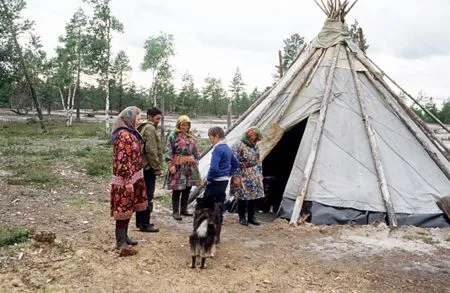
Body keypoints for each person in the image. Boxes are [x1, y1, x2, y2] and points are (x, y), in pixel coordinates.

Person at [110, 106, 147, 255]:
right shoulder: (123, 135)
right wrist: (127, 180)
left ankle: (125, 236)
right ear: (129, 119)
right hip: (125, 180)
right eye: (137, 119)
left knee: (129, 208)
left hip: (134, 177)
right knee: (123, 209)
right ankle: (120, 242)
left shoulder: (131, 133)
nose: (139, 122)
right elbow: (122, 160)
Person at [204, 126, 239, 243]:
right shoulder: (227, 148)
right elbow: (235, 163)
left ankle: (208, 235)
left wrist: (209, 179)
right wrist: (228, 174)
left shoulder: (218, 149)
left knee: (208, 208)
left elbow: (213, 168)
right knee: (219, 207)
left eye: (211, 138)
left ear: (216, 136)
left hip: (215, 181)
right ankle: (216, 236)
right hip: (224, 182)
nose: (211, 141)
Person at [164, 115, 202, 220]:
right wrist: (170, 164)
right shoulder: (173, 135)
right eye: (183, 125)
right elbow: (168, 150)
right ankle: (175, 211)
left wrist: (197, 160)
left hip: (190, 165)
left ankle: (184, 209)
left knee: (187, 187)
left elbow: (196, 150)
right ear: (178, 125)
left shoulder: (191, 135)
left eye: (187, 125)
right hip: (178, 164)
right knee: (177, 188)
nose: (185, 127)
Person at [135, 107, 163, 233]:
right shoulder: (150, 129)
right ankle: (145, 224)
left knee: (142, 195)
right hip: (148, 168)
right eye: (157, 119)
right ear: (150, 117)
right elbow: (151, 150)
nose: (158, 121)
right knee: (148, 196)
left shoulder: (144, 127)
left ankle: (140, 222)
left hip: (142, 167)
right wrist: (156, 167)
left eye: (160, 119)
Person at [230, 127, 264, 226]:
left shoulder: (255, 146)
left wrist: (260, 173)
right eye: (254, 138)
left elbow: (258, 159)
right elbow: (234, 161)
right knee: (242, 195)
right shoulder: (238, 144)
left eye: (256, 139)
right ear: (249, 136)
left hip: (253, 173)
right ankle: (242, 217)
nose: (255, 141)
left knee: (254, 195)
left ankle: (251, 217)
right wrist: (236, 175)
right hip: (242, 172)